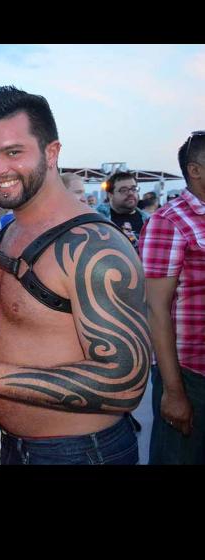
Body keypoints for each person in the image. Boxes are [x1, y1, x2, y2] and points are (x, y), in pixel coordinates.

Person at [0, 85, 151, 465]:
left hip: (81, 453)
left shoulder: (94, 248)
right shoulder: (10, 232)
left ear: (51, 152)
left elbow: (126, 382)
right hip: (16, 448)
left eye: (13, 152)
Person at [139, 130, 205, 464]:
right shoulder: (169, 222)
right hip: (190, 375)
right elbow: (156, 310)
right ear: (195, 170)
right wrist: (173, 390)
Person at [96, 171, 149, 248]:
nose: (131, 193)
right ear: (110, 195)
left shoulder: (148, 221)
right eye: (123, 190)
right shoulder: (98, 219)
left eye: (134, 189)